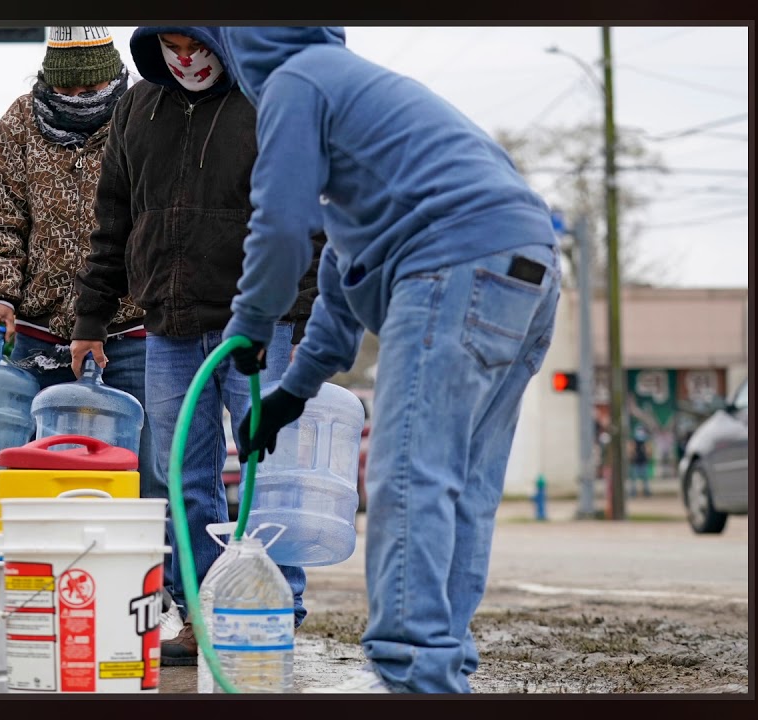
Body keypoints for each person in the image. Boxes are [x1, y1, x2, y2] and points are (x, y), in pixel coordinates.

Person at [218, 27, 562, 694]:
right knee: (461, 487)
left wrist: (251, 324)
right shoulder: (361, 93)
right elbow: (347, 267)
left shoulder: (297, 82)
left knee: (410, 476)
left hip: (454, 264)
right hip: (527, 271)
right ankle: (442, 662)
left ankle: (415, 678)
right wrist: (294, 389)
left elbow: (279, 228)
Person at [69, 26, 322, 667]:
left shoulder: (266, 99)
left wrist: (300, 314)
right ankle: (204, 611)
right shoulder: (137, 108)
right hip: (170, 323)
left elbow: (303, 216)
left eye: (197, 45)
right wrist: (90, 318)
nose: (187, 60)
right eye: (173, 47)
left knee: (270, 472)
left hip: (258, 323)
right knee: (183, 473)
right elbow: (113, 219)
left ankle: (274, 608)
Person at [0, 28, 154, 487]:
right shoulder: (18, 122)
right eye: (65, 90)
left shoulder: (145, 116)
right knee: (40, 475)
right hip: (40, 334)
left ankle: (149, 560)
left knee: (145, 474)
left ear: (112, 77)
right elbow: (1, 214)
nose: (78, 99)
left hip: (131, 334)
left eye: (90, 90)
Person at [629, 425, 652, 497]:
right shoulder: (634, 441)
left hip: (643, 461)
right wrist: (633, 455)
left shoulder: (645, 441)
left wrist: (647, 453)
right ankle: (633, 492)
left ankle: (646, 492)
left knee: (645, 479)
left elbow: (649, 451)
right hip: (636, 462)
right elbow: (631, 451)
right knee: (634, 479)